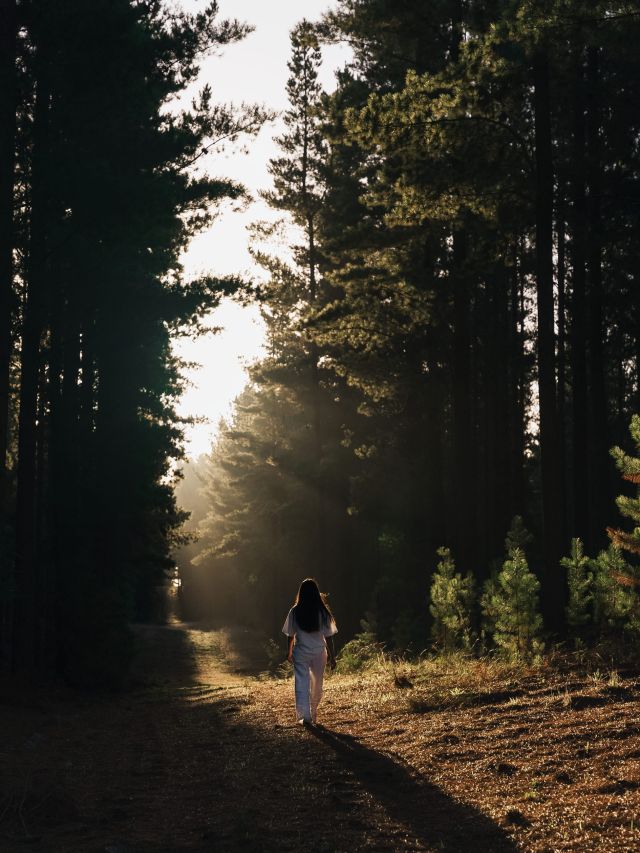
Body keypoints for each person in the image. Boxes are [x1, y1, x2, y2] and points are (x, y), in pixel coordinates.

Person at [282, 578, 338, 725]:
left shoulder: (295, 611)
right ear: (316, 593)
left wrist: (289, 651)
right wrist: (333, 656)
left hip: (301, 653)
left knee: (301, 683)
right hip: (319, 653)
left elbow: (290, 635)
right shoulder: (323, 612)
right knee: (317, 684)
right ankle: (313, 710)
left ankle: (305, 716)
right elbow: (329, 637)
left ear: (301, 593)